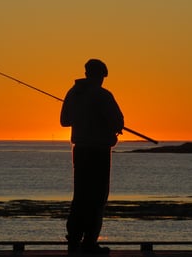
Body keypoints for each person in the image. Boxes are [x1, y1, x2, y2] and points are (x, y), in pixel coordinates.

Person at [60, 59, 124, 254]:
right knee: (97, 197)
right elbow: (117, 122)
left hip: (79, 150)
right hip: (98, 151)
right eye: (103, 76)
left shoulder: (73, 93)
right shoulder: (103, 95)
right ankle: (89, 242)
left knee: (80, 196)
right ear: (100, 75)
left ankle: (73, 240)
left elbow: (64, 121)